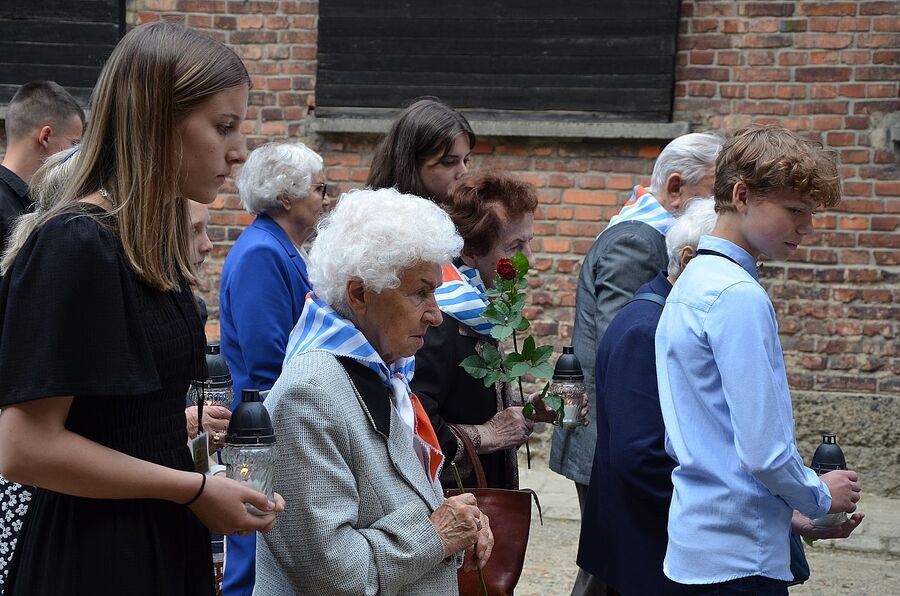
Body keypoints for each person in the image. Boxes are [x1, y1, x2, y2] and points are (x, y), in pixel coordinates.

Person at [0, 23, 285, 596]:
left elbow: (127, 424)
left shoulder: (142, 245)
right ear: (156, 121)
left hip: (157, 535)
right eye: (223, 126)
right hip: (97, 555)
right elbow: (24, 447)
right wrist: (197, 491)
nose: (240, 151)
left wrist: (200, 486)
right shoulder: (77, 242)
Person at [655, 126, 862, 595]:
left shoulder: (693, 278)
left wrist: (787, 511)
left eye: (810, 213)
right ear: (742, 195)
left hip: (700, 539)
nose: (806, 227)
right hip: (739, 559)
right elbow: (763, 451)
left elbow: (705, 436)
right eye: (794, 211)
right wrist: (819, 495)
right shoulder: (736, 294)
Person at [255, 188, 493, 595]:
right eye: (421, 292)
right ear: (360, 294)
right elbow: (331, 574)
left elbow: (395, 499)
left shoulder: (382, 370)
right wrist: (436, 532)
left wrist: (458, 521)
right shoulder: (309, 394)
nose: (436, 315)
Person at [552, 131, 723, 595]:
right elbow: (628, 353)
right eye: (717, 190)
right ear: (675, 188)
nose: (726, 205)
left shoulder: (641, 230)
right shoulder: (640, 241)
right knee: (614, 573)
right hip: (616, 442)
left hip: (616, 439)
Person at [218, 142, 327, 596]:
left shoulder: (283, 248)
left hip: (274, 425)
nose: (327, 199)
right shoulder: (262, 253)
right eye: (320, 189)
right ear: (286, 197)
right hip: (261, 433)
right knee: (255, 551)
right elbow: (269, 362)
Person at [410, 171, 538, 489]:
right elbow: (413, 425)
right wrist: (490, 435)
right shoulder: (440, 323)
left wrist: (530, 410)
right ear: (469, 252)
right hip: (450, 508)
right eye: (514, 247)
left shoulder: (479, 310)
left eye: (529, 243)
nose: (530, 261)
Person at [0, 81, 84, 249]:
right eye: (74, 144)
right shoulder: (7, 207)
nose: (77, 156)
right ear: (45, 137)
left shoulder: (32, 204)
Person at [366, 96, 474, 204]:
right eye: (449, 162)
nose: (464, 172)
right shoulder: (378, 216)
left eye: (466, 160)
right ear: (410, 164)